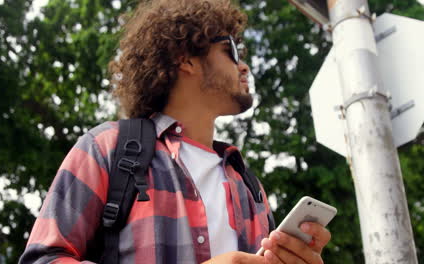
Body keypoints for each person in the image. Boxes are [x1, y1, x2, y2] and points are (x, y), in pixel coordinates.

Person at [19, 0, 332, 263]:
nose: (244, 66)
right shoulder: (107, 147)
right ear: (186, 60)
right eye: (231, 50)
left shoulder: (250, 186)